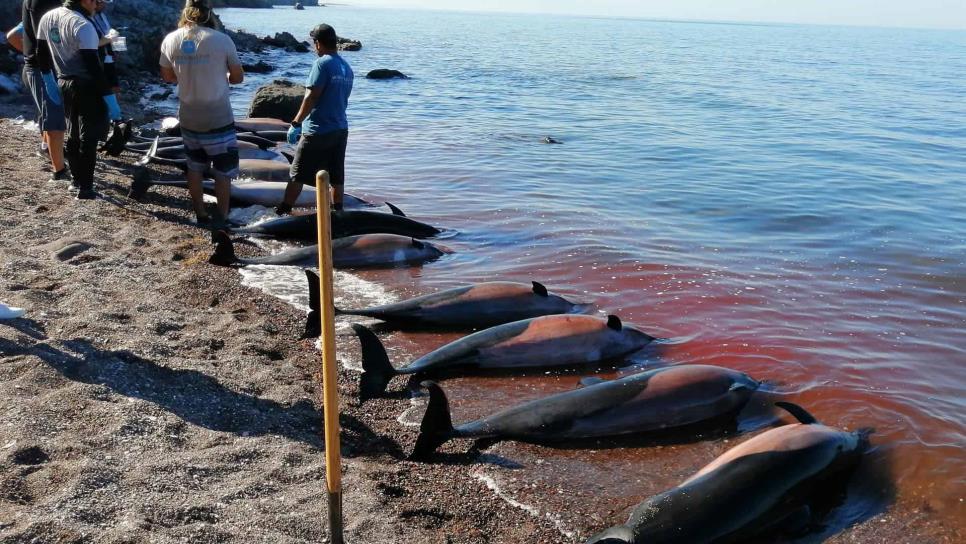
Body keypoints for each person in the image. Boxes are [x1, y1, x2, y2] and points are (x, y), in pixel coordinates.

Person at [160, 0, 243, 226]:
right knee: (223, 171)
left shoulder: (171, 39)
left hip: (188, 116)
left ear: (185, 13)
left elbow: (167, 76)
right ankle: (222, 217)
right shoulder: (222, 40)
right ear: (209, 14)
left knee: (195, 167)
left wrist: (188, 76)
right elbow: (238, 77)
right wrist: (220, 76)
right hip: (218, 117)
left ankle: (200, 214)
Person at [36, 0, 120, 200]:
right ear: (85, 1)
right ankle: (86, 188)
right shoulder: (83, 25)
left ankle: (75, 180)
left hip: (63, 82)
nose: (98, 5)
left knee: (72, 134)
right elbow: (93, 68)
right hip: (87, 87)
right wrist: (111, 100)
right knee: (88, 138)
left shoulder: (48, 17)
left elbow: (41, 53)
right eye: (96, 0)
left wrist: (50, 80)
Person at [275, 23, 353, 216]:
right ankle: (338, 214)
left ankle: (283, 212)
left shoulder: (322, 63)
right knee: (336, 175)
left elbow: (311, 96)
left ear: (318, 43)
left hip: (317, 130)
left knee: (297, 174)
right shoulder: (346, 67)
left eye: (314, 42)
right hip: (340, 129)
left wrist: (296, 123)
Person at [21, 0, 69, 182]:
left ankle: (47, 149)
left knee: (50, 114)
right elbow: (45, 40)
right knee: (55, 120)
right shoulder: (41, 2)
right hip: (44, 67)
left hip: (47, 65)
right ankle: (59, 171)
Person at [90, 0, 119, 94]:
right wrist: (111, 37)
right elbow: (95, 42)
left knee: (113, 81)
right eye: (103, 3)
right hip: (98, 55)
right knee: (105, 83)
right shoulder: (88, 18)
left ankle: (113, 100)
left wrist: (116, 49)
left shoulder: (102, 15)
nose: (105, 6)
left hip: (108, 53)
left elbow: (107, 31)